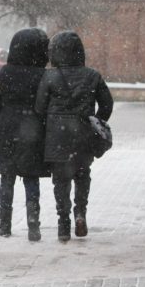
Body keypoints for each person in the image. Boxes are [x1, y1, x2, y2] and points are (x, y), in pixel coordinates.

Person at [35, 30, 113, 242]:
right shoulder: (93, 75)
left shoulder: (50, 76)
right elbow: (107, 104)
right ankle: (80, 212)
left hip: (57, 136)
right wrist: (95, 120)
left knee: (60, 181)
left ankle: (63, 223)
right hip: (84, 135)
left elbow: (39, 107)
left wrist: (51, 121)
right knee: (82, 174)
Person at [0, 28, 50, 241]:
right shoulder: (44, 75)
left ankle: (4, 224)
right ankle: (33, 221)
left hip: (6, 130)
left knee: (7, 178)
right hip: (34, 130)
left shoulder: (2, 72)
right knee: (31, 178)